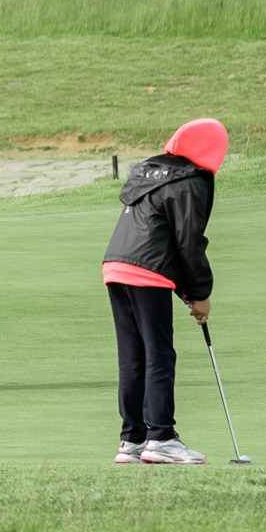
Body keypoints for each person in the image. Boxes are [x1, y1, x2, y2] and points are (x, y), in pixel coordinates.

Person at [100, 118, 227, 464]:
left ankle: (132, 440)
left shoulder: (150, 172)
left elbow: (160, 237)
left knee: (133, 355)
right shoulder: (191, 181)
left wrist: (188, 294)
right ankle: (161, 438)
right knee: (159, 353)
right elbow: (189, 243)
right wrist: (200, 292)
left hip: (115, 266)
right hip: (145, 272)